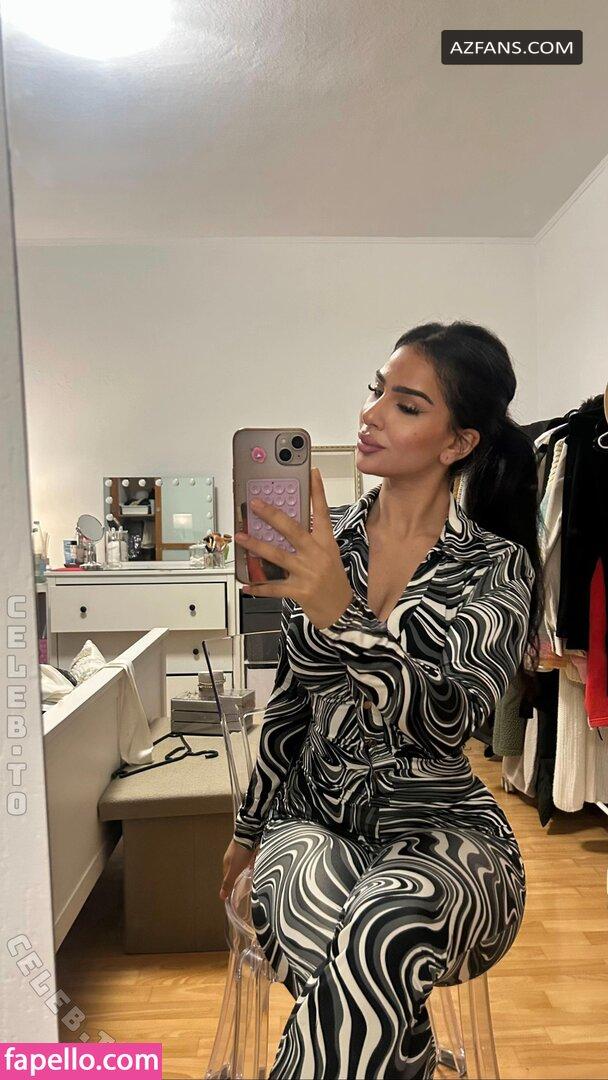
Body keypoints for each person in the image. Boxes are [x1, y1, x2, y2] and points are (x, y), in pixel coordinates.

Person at [221, 321, 542, 1079]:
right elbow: (290, 708)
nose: (370, 415)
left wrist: (344, 617)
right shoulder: (323, 544)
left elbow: (451, 721)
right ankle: (410, 1056)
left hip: (447, 834)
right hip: (313, 819)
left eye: (405, 404)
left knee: (379, 928)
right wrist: (247, 831)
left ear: (458, 442)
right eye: (376, 391)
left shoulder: (495, 567)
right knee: (349, 952)